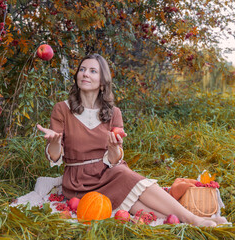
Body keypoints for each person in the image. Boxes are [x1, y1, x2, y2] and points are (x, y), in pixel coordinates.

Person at [37, 53, 220, 227]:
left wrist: (114, 147)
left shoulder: (113, 113)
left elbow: (115, 161)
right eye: (82, 69)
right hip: (79, 182)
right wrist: (54, 142)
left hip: (109, 172)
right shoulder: (62, 109)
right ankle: (193, 218)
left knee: (132, 190)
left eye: (93, 71)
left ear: (102, 82)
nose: (85, 74)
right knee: (133, 199)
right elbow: (54, 158)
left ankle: (191, 219)